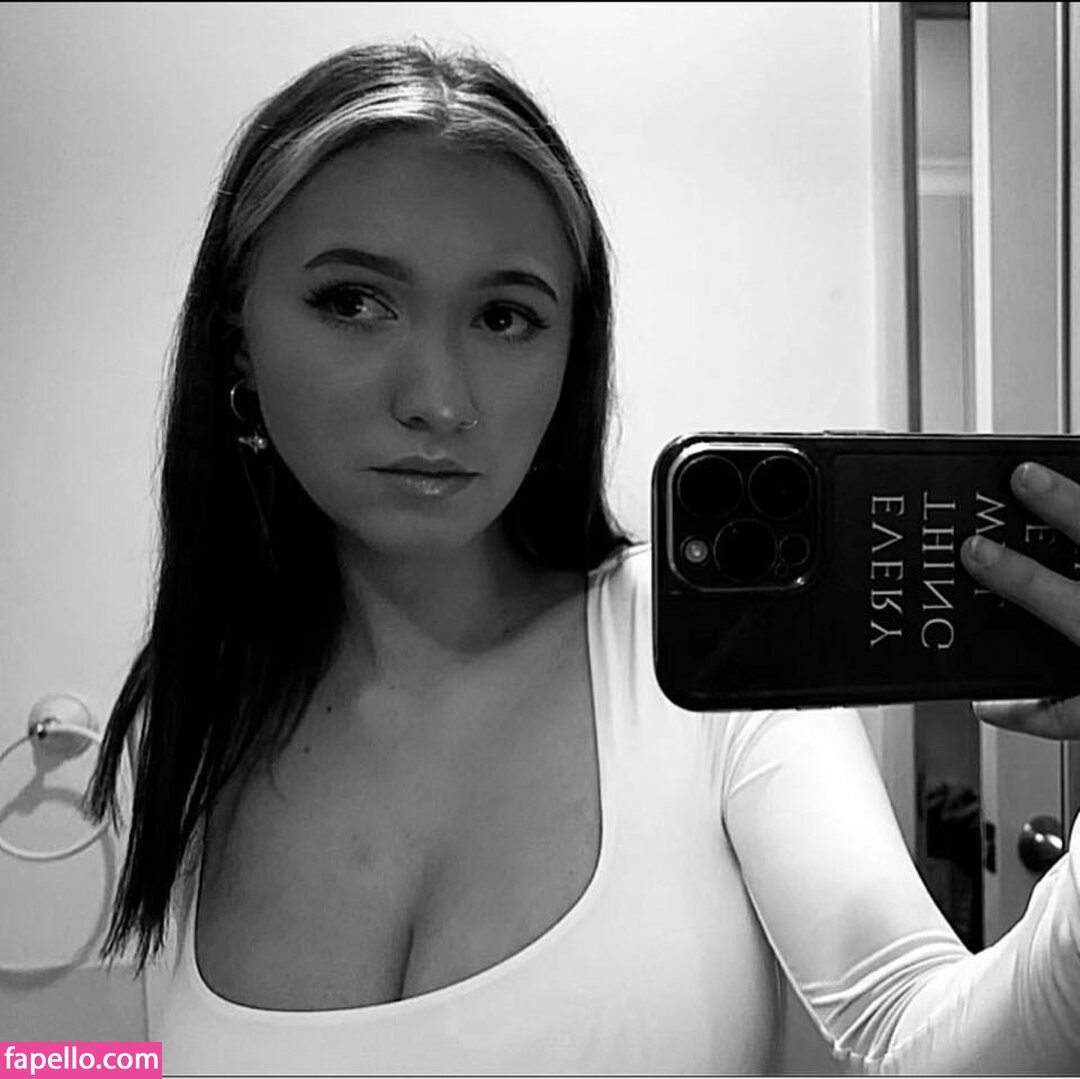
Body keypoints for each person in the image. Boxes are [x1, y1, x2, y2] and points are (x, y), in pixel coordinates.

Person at [84, 40, 1080, 1075]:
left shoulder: (712, 671)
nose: (438, 399)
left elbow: (917, 1039)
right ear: (237, 337)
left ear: (572, 351)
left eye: (504, 316)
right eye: (353, 302)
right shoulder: (190, 717)